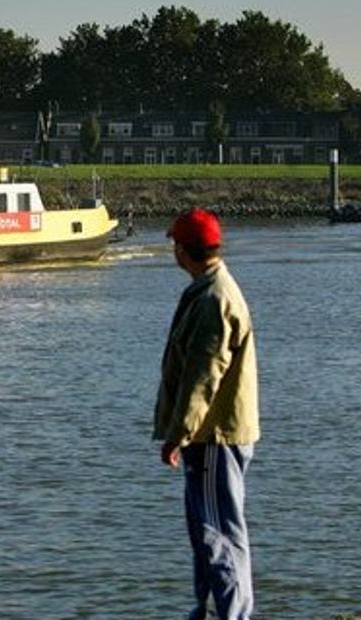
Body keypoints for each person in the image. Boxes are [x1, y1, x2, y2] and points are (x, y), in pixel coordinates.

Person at [154, 208, 260, 620]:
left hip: (215, 435)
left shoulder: (214, 298)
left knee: (218, 532)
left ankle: (232, 614)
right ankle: (211, 609)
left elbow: (204, 376)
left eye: (174, 244)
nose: (172, 251)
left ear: (184, 249)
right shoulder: (210, 289)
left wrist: (179, 433)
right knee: (208, 530)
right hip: (210, 434)